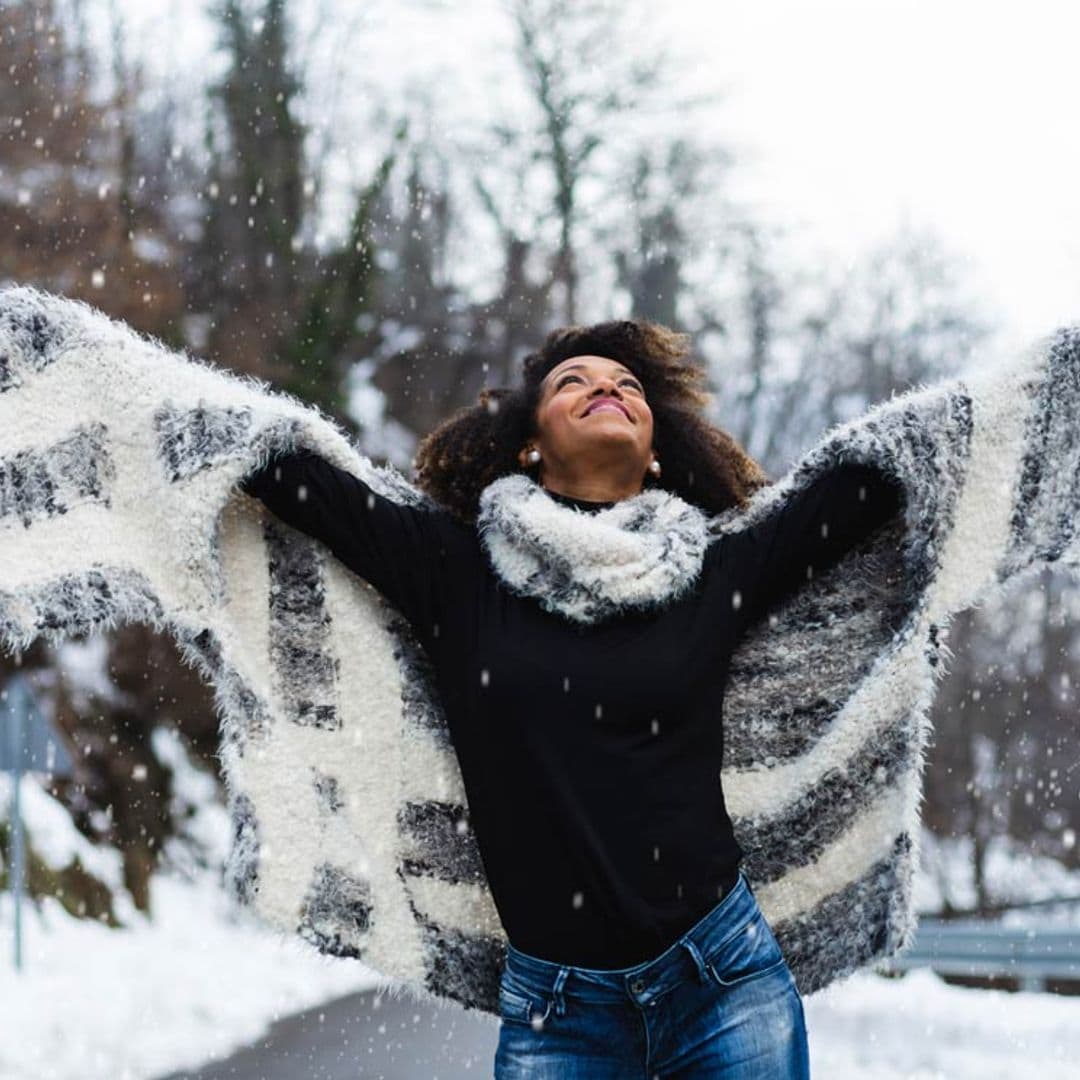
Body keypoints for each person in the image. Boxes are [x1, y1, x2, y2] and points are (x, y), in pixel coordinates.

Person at [240, 319, 903, 1078]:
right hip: (558, 1019)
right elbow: (289, 474)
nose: (608, 389)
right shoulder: (454, 573)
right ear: (529, 442)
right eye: (574, 382)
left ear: (656, 451)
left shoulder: (713, 573)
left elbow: (873, 480)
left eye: (628, 386)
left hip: (724, 984)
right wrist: (133, 392)